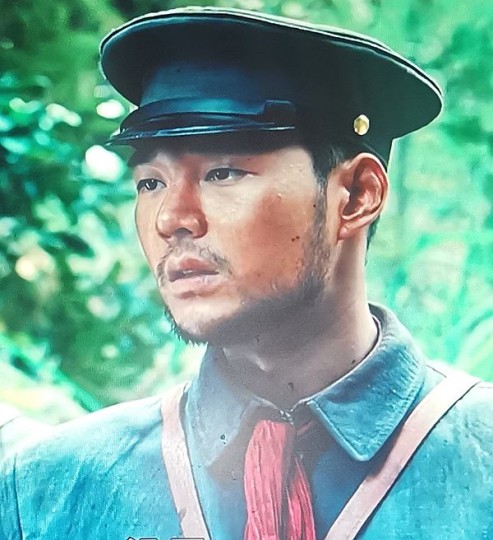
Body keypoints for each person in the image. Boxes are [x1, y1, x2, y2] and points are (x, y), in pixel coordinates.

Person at [1, 7, 492, 540]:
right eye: (150, 183)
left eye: (222, 172)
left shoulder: (478, 461)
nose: (171, 219)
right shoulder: (47, 494)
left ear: (356, 196)